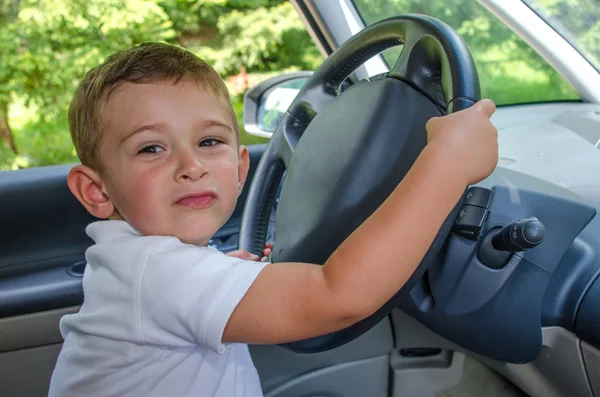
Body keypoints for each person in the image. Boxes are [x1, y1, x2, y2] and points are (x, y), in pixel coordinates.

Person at [48, 42, 498, 397]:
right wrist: (448, 161)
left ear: (242, 167)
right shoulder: (158, 274)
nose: (191, 165)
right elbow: (338, 297)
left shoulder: (137, 263)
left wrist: (235, 271)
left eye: (209, 142)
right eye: (152, 148)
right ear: (97, 190)